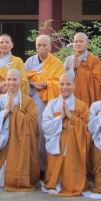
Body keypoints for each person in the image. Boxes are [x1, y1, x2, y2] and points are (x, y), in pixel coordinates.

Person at [0, 68, 40, 191]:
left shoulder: (28, 101)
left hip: (22, 143)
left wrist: (15, 112)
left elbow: (33, 123)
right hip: (5, 142)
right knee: (1, 181)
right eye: (9, 79)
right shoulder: (0, 100)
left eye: (15, 80)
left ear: (21, 82)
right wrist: (6, 111)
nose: (11, 83)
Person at [41, 73, 90, 197]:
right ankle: (55, 183)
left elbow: (87, 130)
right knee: (55, 170)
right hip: (56, 144)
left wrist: (71, 117)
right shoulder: (52, 104)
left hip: (74, 146)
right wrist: (61, 118)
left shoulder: (82, 106)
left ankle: (72, 185)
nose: (65, 87)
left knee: (71, 168)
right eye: (62, 84)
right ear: (58, 85)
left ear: (74, 85)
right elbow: (45, 126)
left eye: (68, 84)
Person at [25, 34, 65, 169]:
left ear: (50, 46)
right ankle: (35, 167)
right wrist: (32, 84)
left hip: (50, 103)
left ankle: (47, 168)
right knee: (34, 131)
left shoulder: (57, 63)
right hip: (33, 101)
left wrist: (48, 84)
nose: (41, 48)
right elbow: (23, 80)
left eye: (44, 45)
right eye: (39, 45)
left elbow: (62, 83)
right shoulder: (29, 62)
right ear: (35, 47)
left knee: (47, 131)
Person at [0, 34, 29, 99]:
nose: (4, 45)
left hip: (13, 98)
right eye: (1, 42)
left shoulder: (18, 61)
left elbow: (23, 81)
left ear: (12, 45)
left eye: (7, 42)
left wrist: (7, 86)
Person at [63, 32, 101, 107]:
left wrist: (80, 68)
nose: (78, 44)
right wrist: (73, 68)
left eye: (81, 41)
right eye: (76, 42)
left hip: (87, 96)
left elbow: (97, 81)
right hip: (71, 95)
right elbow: (63, 80)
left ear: (87, 43)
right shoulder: (68, 60)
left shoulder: (95, 60)